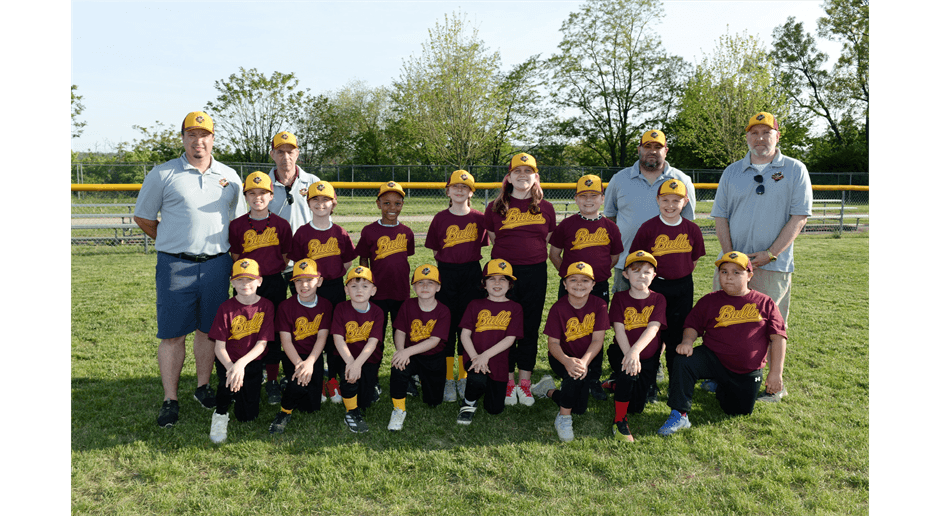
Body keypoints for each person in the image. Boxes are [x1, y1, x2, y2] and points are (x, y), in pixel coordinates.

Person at [133, 111, 246, 428]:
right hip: (175, 264)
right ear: (183, 138)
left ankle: (202, 386)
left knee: (209, 331)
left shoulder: (229, 177)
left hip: (216, 264)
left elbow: (237, 224)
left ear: (213, 138)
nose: (199, 141)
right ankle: (170, 399)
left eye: (204, 134)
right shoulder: (163, 174)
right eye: (192, 135)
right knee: (171, 335)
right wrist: (171, 240)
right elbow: (143, 218)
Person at [711, 112, 811, 402]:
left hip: (774, 265)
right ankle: (721, 376)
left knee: (771, 324)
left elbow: (799, 217)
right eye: (754, 132)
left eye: (766, 132)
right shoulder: (732, 171)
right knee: (725, 321)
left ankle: (773, 383)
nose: (760, 138)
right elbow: (720, 217)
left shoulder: (794, 169)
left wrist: (771, 253)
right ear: (746, 137)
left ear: (777, 136)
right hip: (733, 268)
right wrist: (731, 259)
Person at [657, 252, 787, 437]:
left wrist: (775, 373)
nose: (729, 277)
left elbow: (778, 338)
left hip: (746, 370)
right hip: (714, 359)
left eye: (736, 272)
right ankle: (680, 413)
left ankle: (721, 386)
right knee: (683, 360)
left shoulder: (764, 302)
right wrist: (687, 341)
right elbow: (692, 325)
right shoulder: (710, 300)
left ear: (749, 275)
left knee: (737, 411)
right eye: (724, 272)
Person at [483, 153, 556, 407]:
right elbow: (494, 237)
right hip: (504, 274)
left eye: (528, 171)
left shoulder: (546, 207)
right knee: (502, 326)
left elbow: (545, 240)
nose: (522, 175)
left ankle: (525, 383)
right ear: (509, 177)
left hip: (535, 272)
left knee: (529, 327)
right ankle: (507, 381)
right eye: (517, 171)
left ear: (536, 177)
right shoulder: (495, 206)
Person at [548, 174, 624, 400]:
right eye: (583, 196)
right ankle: (567, 369)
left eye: (594, 195)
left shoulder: (610, 227)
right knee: (569, 330)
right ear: (576, 199)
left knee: (595, 330)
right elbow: (554, 254)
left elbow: (614, 256)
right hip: (571, 287)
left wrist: (595, 278)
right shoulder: (568, 224)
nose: (588, 200)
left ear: (602, 198)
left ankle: (593, 378)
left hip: (598, 286)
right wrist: (570, 279)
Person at [629, 180, 705, 401]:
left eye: (676, 200)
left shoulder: (691, 228)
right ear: (657, 201)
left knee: (676, 337)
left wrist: (680, 275)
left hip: (682, 286)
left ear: (686, 202)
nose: (670, 205)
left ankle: (676, 383)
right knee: (651, 337)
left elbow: (694, 259)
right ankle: (649, 383)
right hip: (654, 287)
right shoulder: (649, 227)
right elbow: (637, 260)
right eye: (665, 200)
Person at [289, 180, 357, 403]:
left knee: (336, 336)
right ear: (308, 203)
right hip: (309, 290)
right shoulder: (302, 233)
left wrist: (332, 276)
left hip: (334, 287)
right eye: (315, 199)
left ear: (334, 203)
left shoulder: (340, 232)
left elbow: (347, 263)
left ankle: (333, 379)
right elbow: (298, 264)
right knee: (310, 334)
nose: (320, 204)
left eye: (326, 199)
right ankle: (315, 378)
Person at [228, 171, 293, 405]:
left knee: (273, 332)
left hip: (274, 282)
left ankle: (273, 379)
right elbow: (236, 256)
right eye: (252, 193)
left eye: (263, 193)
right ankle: (244, 372)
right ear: (246, 196)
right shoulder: (236, 226)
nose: (258, 197)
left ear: (272, 196)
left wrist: (269, 272)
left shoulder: (281, 225)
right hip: (246, 284)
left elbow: (285, 256)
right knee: (244, 329)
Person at [604, 130, 696, 295]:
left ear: (666, 151)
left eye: (658, 146)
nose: (652, 151)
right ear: (639, 149)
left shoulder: (682, 180)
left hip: (668, 269)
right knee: (627, 316)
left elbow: (687, 225)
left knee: (670, 318)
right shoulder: (619, 179)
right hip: (628, 264)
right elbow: (610, 218)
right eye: (647, 146)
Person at [425, 170, 489, 403]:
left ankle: (463, 376)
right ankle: (447, 380)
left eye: (465, 187)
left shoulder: (479, 218)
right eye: (455, 187)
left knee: (467, 327)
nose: (460, 190)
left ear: (472, 192)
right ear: (448, 191)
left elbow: (482, 245)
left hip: (471, 273)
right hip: (447, 273)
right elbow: (435, 250)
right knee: (446, 327)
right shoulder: (440, 218)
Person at [535, 262, 610, 443]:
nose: (579, 284)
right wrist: (567, 361)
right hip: (561, 357)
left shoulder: (599, 305)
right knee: (573, 377)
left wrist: (583, 362)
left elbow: (597, 340)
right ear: (565, 284)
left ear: (593, 285)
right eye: (573, 279)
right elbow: (553, 343)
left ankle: (548, 391)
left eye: (585, 280)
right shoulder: (558, 308)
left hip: (587, 358)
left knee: (579, 408)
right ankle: (563, 418)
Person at [207, 259, 274, 443]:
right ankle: (220, 414)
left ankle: (242, 393)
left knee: (248, 416)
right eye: (240, 280)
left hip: (251, 362)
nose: (245, 284)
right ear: (232, 282)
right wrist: (231, 368)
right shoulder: (225, 308)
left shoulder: (266, 306)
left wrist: (241, 365)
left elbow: (262, 344)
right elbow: (219, 347)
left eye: (250, 279)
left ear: (259, 281)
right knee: (226, 388)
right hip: (227, 361)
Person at [605, 251, 667, 442]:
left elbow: (653, 328)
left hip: (646, 357)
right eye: (636, 270)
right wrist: (629, 355)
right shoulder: (620, 298)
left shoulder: (659, 299)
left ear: (654, 276)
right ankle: (619, 420)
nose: (642, 275)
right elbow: (619, 330)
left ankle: (614, 385)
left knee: (637, 407)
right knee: (628, 372)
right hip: (622, 352)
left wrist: (635, 352)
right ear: (625, 274)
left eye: (647, 272)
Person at [456, 259, 524, 426]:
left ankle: (484, 387)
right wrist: (475, 358)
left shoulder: (515, 308)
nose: (497, 283)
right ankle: (469, 402)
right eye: (492, 278)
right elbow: (464, 335)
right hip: (474, 357)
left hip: (498, 362)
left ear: (510, 284)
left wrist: (485, 356)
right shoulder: (475, 304)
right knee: (477, 380)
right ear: (484, 284)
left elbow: (510, 339)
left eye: (503, 279)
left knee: (494, 409)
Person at [268, 259, 333, 435]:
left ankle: (293, 383)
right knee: (298, 387)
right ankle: (284, 412)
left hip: (314, 355)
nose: (304, 285)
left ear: (319, 281)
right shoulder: (285, 306)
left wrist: (310, 363)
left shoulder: (325, 305)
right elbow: (286, 341)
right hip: (293, 355)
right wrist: (300, 365)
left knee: (311, 407)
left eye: (309, 280)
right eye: (298, 280)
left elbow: (322, 337)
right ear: (293, 282)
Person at [387, 265, 452, 431]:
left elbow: (434, 340)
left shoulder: (443, 310)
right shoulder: (408, 305)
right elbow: (400, 331)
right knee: (398, 368)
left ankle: (420, 378)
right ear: (414, 286)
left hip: (434, 357)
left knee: (433, 401)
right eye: (420, 283)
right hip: (412, 355)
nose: (424, 287)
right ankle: (399, 409)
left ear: (438, 287)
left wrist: (406, 352)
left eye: (430, 283)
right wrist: (401, 352)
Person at [356, 181, 416, 344]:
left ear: (402, 205)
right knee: (376, 334)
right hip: (377, 291)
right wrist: (365, 283)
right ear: (378, 204)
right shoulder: (369, 230)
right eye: (386, 203)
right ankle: (372, 365)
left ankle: (402, 365)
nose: (392, 208)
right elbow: (363, 258)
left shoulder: (407, 232)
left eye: (397, 203)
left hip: (400, 290)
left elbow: (405, 258)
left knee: (402, 332)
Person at [331, 266, 385, 434]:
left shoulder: (377, 312)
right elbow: (338, 338)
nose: (359, 290)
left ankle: (367, 387)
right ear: (346, 290)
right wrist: (351, 364)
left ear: (373, 290)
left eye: (365, 286)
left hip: (367, 359)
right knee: (350, 380)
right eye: (353, 286)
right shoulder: (340, 308)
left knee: (366, 402)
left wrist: (357, 364)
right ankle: (351, 412)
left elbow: (373, 342)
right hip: (345, 357)